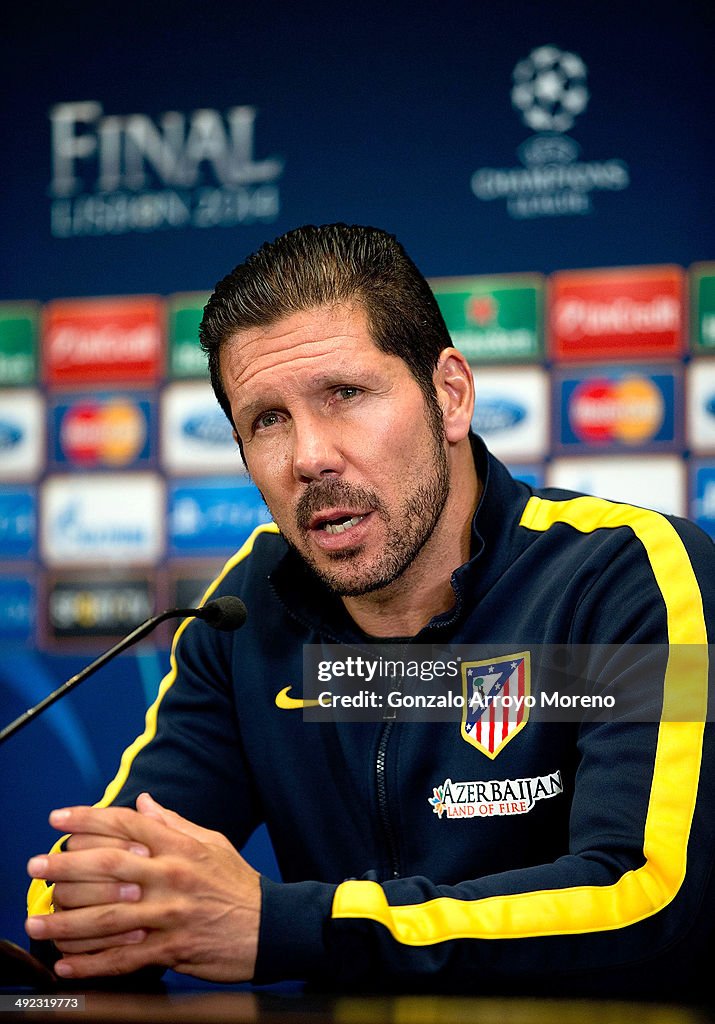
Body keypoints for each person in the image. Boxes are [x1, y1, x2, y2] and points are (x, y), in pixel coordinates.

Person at [26, 223, 715, 1001]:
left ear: (448, 395)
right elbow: (86, 884)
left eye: (344, 395)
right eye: (267, 420)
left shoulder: (626, 574)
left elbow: (648, 904)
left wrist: (292, 927)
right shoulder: (251, 603)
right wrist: (94, 905)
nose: (308, 456)